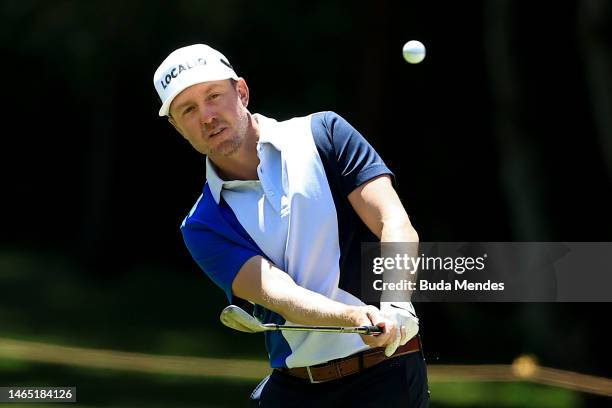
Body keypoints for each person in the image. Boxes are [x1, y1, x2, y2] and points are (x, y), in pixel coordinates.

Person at [153, 43, 429, 407]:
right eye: (188, 109)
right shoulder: (203, 224)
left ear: (242, 92)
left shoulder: (324, 134)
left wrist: (397, 306)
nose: (207, 116)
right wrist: (354, 318)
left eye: (214, 96)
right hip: (298, 389)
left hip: (387, 375)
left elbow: (392, 221)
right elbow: (280, 295)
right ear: (176, 127)